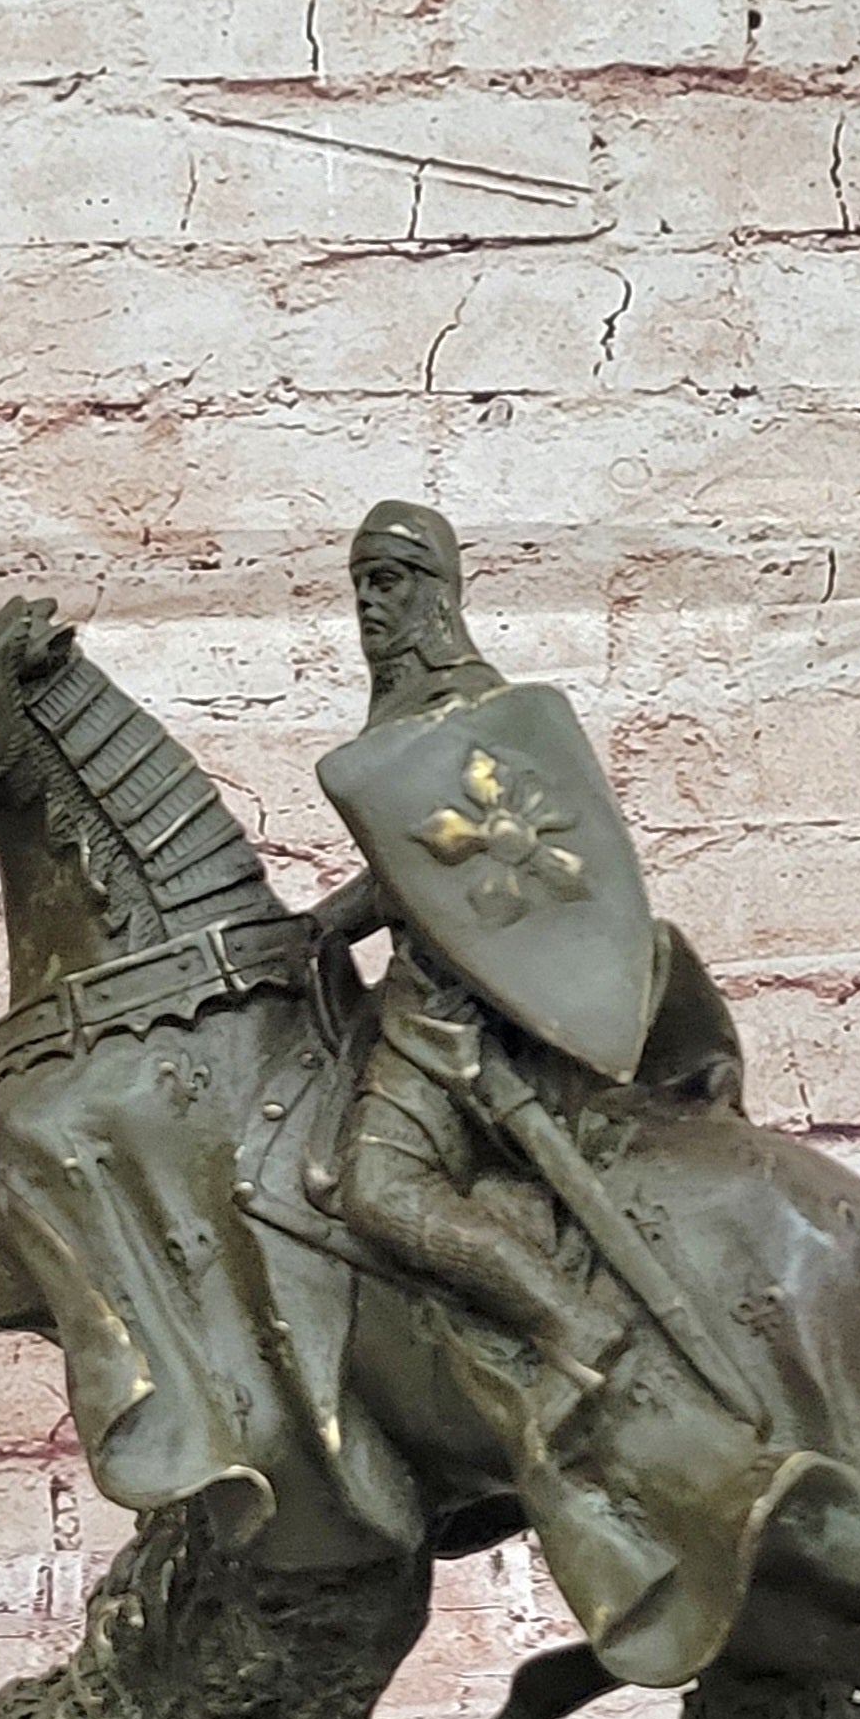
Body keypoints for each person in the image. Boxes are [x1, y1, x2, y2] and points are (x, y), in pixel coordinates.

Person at [309, 500, 655, 1394]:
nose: (368, 603)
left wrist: (346, 921)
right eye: (360, 585)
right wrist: (325, 923)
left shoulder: (471, 712)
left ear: (437, 592)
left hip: (454, 1014)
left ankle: (569, 1321)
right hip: (418, 995)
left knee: (379, 1190)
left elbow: (472, 887)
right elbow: (415, 872)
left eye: (388, 582)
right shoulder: (406, 713)